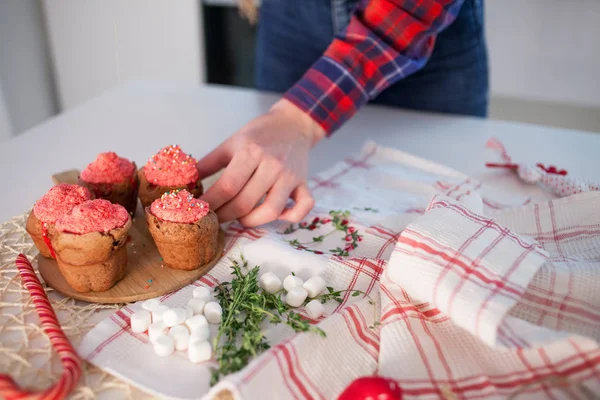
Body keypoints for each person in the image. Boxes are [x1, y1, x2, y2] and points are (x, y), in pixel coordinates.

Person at [198, 0, 488, 227]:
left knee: (448, 204)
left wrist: (298, 118)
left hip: (417, 20)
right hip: (288, 17)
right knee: (268, 193)